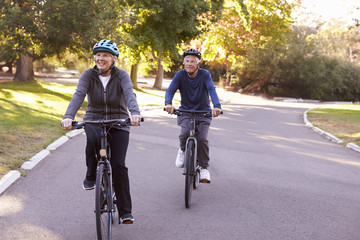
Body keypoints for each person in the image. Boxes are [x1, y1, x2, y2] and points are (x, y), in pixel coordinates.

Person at [61, 39, 141, 224]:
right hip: (94, 118)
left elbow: (129, 93)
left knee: (118, 164)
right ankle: (91, 174)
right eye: (98, 55)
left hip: (119, 120)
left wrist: (135, 113)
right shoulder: (88, 75)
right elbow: (79, 95)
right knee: (92, 140)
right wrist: (68, 116)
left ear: (113, 59)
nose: (100, 58)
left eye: (105, 55)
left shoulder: (122, 76)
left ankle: (125, 211)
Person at [164, 48, 221, 183]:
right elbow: (170, 90)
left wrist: (217, 106)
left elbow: (212, 89)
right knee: (184, 133)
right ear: (184, 63)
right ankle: (182, 150)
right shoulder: (180, 75)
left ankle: (203, 168)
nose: (189, 64)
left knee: (202, 139)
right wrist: (168, 103)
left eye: (192, 61)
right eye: (187, 61)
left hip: (203, 113)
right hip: (185, 112)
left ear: (198, 64)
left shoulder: (205, 75)